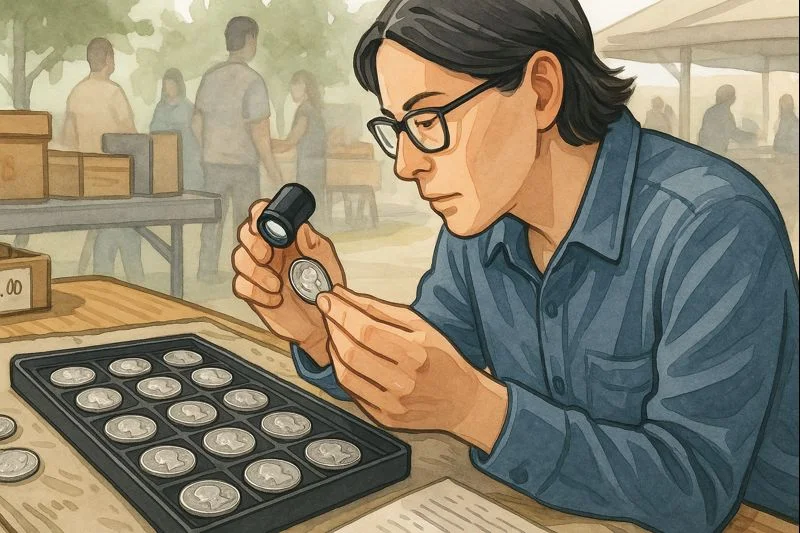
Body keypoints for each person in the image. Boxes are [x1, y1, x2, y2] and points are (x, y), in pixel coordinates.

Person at [232, 2, 799, 532]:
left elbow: (694, 490)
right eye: (397, 129)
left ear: (542, 91)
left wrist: (477, 409)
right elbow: (426, 369)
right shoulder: (480, 224)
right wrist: (318, 329)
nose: (405, 164)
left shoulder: (714, 222)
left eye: (428, 120)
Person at [193, 16, 283, 284]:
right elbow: (261, 135)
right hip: (244, 164)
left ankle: (206, 271)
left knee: (211, 222)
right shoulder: (253, 80)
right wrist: (275, 174)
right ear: (249, 40)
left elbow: (196, 122)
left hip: (213, 162)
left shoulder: (210, 77)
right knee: (246, 224)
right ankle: (244, 274)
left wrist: (209, 147)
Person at [63, 37, 145, 284]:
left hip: (86, 179)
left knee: (104, 232)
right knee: (126, 235)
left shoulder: (76, 93)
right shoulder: (114, 93)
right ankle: (135, 284)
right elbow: (132, 138)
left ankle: (103, 279)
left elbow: (68, 141)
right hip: (115, 178)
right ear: (109, 60)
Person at [272, 70, 327, 223]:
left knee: (307, 204)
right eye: (292, 85)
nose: (292, 89)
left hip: (309, 165)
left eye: (296, 85)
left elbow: (290, 142)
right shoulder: (313, 109)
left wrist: (266, 145)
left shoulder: (305, 110)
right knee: (314, 203)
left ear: (307, 87)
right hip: (316, 164)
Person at [150, 68, 204, 191]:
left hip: (187, 162)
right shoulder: (160, 108)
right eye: (166, 85)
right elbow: (153, 131)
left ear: (179, 85)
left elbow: (198, 134)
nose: (169, 88)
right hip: (165, 161)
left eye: (172, 84)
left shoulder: (188, 108)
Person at [698, 84, 757, 154]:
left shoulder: (711, 111)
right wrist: (755, 136)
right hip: (714, 153)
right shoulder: (723, 112)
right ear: (731, 99)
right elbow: (733, 133)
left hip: (706, 152)